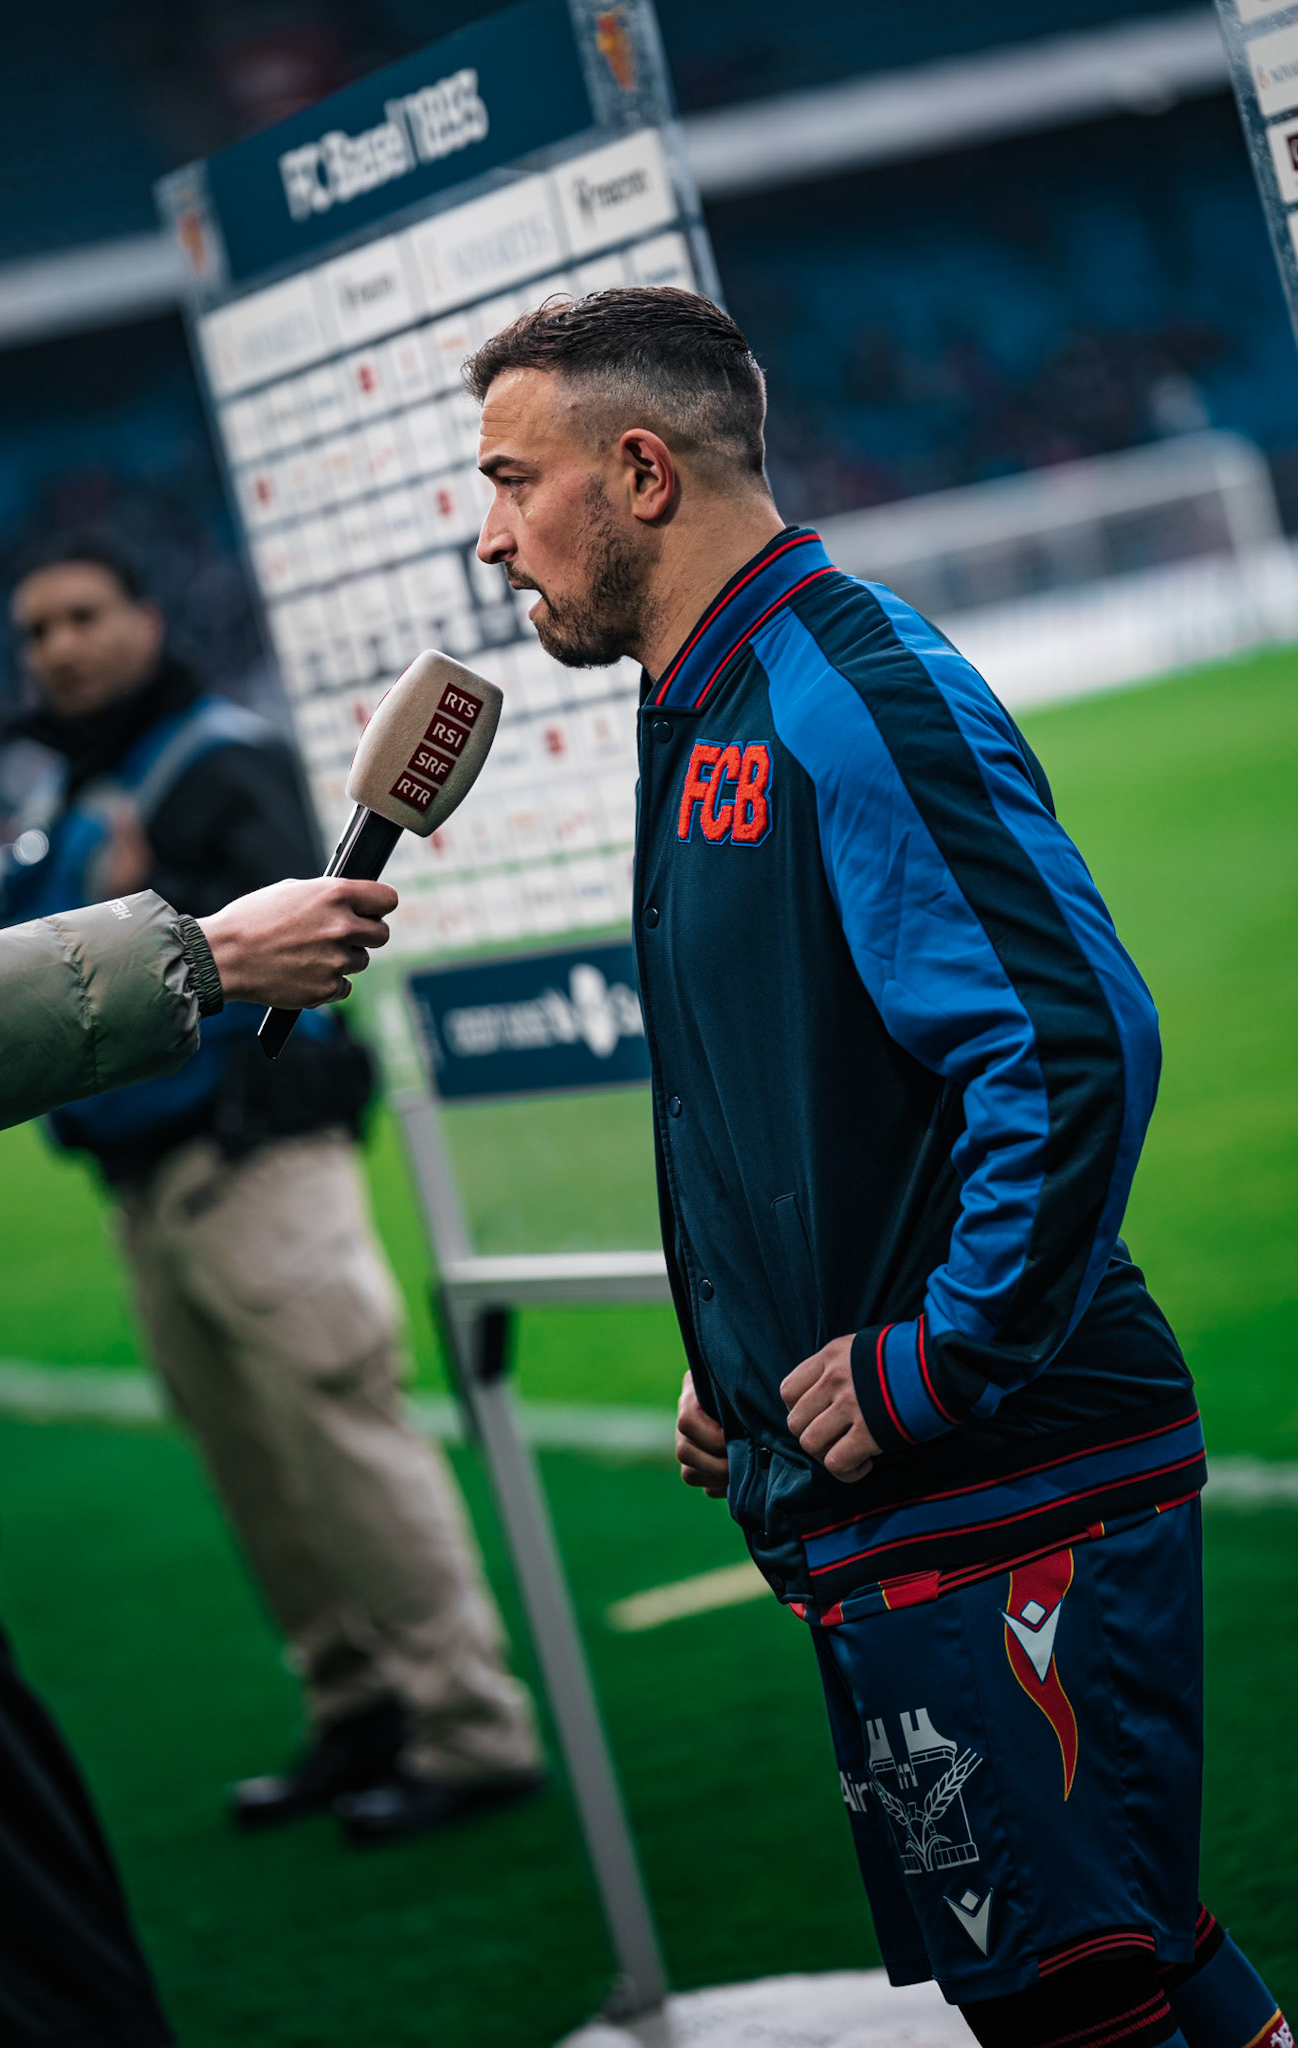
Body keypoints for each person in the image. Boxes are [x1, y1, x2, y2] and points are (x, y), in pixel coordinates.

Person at [466, 287, 1291, 2048]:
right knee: (1103, 1960)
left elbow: (1072, 1045)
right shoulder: (704, 700)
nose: (490, 534)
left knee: (1076, 1990)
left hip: (1011, 1461)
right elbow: (810, 1096)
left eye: (511, 480)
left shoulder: (844, 688)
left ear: (639, 470)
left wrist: (933, 1355)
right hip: (912, 1479)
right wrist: (748, 1359)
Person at [0, 540, 541, 1843]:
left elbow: (319, 943)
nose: (58, 646)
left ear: (143, 613)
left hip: (257, 1165)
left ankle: (468, 1733)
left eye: (82, 612)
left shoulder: (220, 755)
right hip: (143, 1192)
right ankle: (353, 1712)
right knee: (253, 1474)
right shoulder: (67, 782)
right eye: (36, 629)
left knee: (345, 1448)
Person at [0, 873, 392, 2047]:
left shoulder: (196, 757)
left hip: (245, 1151)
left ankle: (451, 1723)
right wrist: (204, 950)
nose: (43, 668)